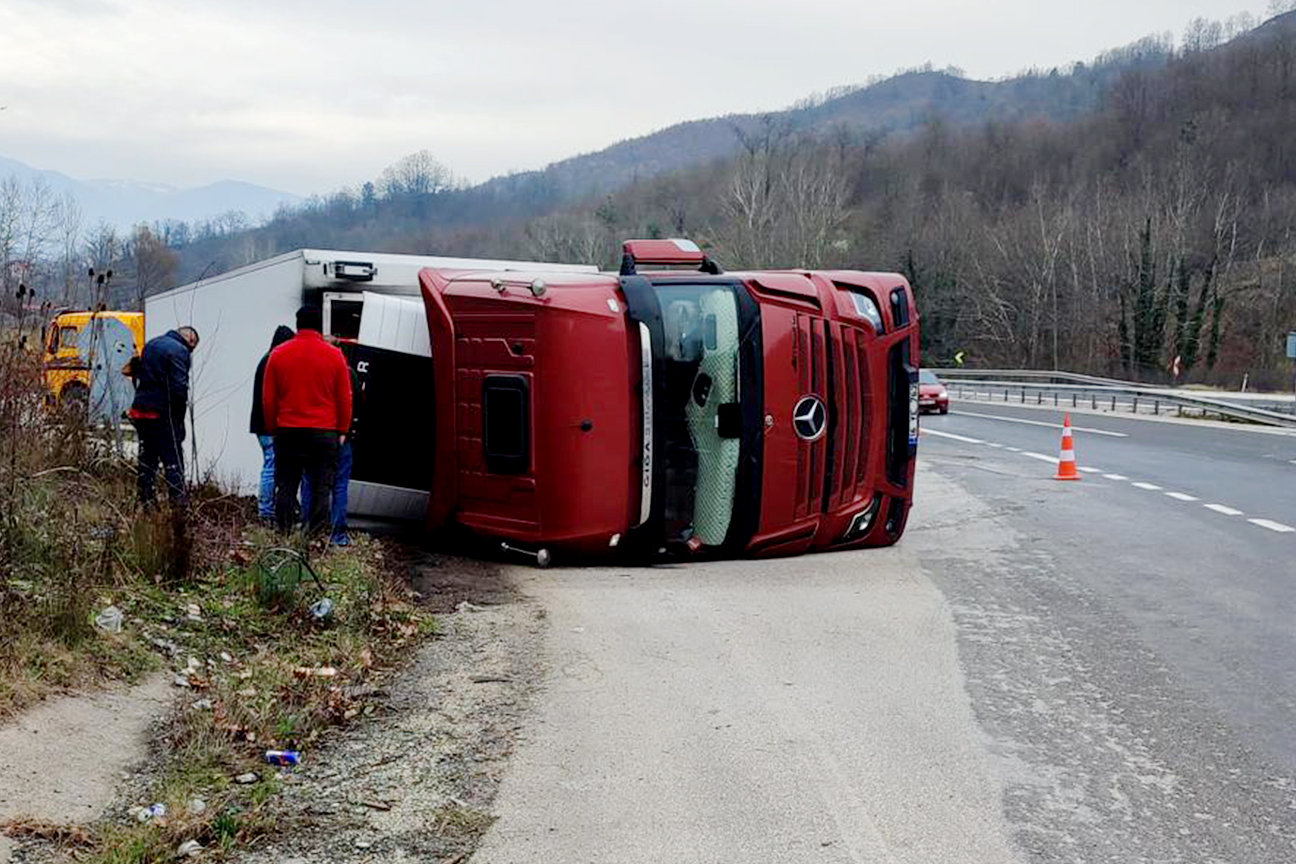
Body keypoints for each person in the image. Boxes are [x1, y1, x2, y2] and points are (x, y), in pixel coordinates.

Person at [263, 306, 352, 535]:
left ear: (297, 323)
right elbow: (344, 397)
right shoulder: (334, 355)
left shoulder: (279, 354)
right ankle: (314, 538)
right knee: (322, 487)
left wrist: (274, 427)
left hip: (288, 431)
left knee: (286, 486)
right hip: (324, 432)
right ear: (320, 325)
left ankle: (283, 535)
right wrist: (342, 429)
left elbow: (269, 398)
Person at [129, 326, 199, 506]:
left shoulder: (152, 344)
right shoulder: (180, 351)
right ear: (190, 340)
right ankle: (178, 508)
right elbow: (178, 389)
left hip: (140, 409)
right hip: (162, 413)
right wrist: (178, 421)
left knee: (147, 458)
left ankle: (146, 502)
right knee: (173, 459)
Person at [302, 360, 361, 545]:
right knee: (339, 486)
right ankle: (338, 535)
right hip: (340, 437)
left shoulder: (312, 372)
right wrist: (348, 429)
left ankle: (307, 529)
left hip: (314, 435)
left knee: (309, 482)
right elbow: (358, 403)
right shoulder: (349, 373)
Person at [249, 325, 295, 523]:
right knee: (271, 466)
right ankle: (266, 510)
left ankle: (268, 507)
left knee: (271, 465)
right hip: (270, 426)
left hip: (261, 425)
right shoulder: (274, 361)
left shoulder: (264, 360)